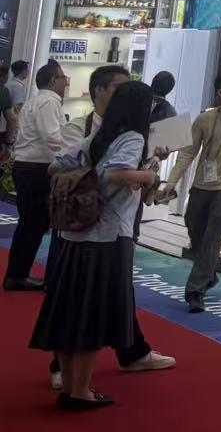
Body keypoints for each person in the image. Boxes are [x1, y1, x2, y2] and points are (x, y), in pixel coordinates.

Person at [29, 80, 161, 410]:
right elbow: (114, 173)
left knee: (71, 313)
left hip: (76, 234)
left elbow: (57, 164)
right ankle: (81, 391)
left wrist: (86, 174)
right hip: (107, 237)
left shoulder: (100, 135)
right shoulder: (133, 138)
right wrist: (147, 176)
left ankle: (70, 387)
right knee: (91, 316)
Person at [159, 68, 221, 312]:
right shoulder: (205, 118)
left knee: (215, 229)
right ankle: (209, 273)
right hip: (202, 182)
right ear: (220, 92)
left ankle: (195, 290)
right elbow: (188, 152)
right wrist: (171, 182)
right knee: (194, 226)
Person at [6, 61, 72, 291]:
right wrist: (74, 152)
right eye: (63, 78)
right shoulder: (48, 101)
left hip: (28, 167)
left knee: (30, 224)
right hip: (36, 169)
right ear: (53, 80)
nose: (66, 82)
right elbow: (52, 137)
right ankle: (17, 276)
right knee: (33, 224)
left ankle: (17, 273)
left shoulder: (36, 100)